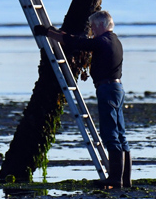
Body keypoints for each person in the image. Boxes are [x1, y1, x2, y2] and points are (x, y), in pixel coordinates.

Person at [34, 10, 132, 189]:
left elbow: (78, 43)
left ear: (102, 25)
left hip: (108, 89)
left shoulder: (103, 41)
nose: (92, 30)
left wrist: (49, 33)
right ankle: (124, 179)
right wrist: (54, 31)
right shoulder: (115, 40)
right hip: (116, 88)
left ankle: (115, 179)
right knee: (120, 133)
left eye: (93, 26)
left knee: (111, 134)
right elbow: (79, 40)